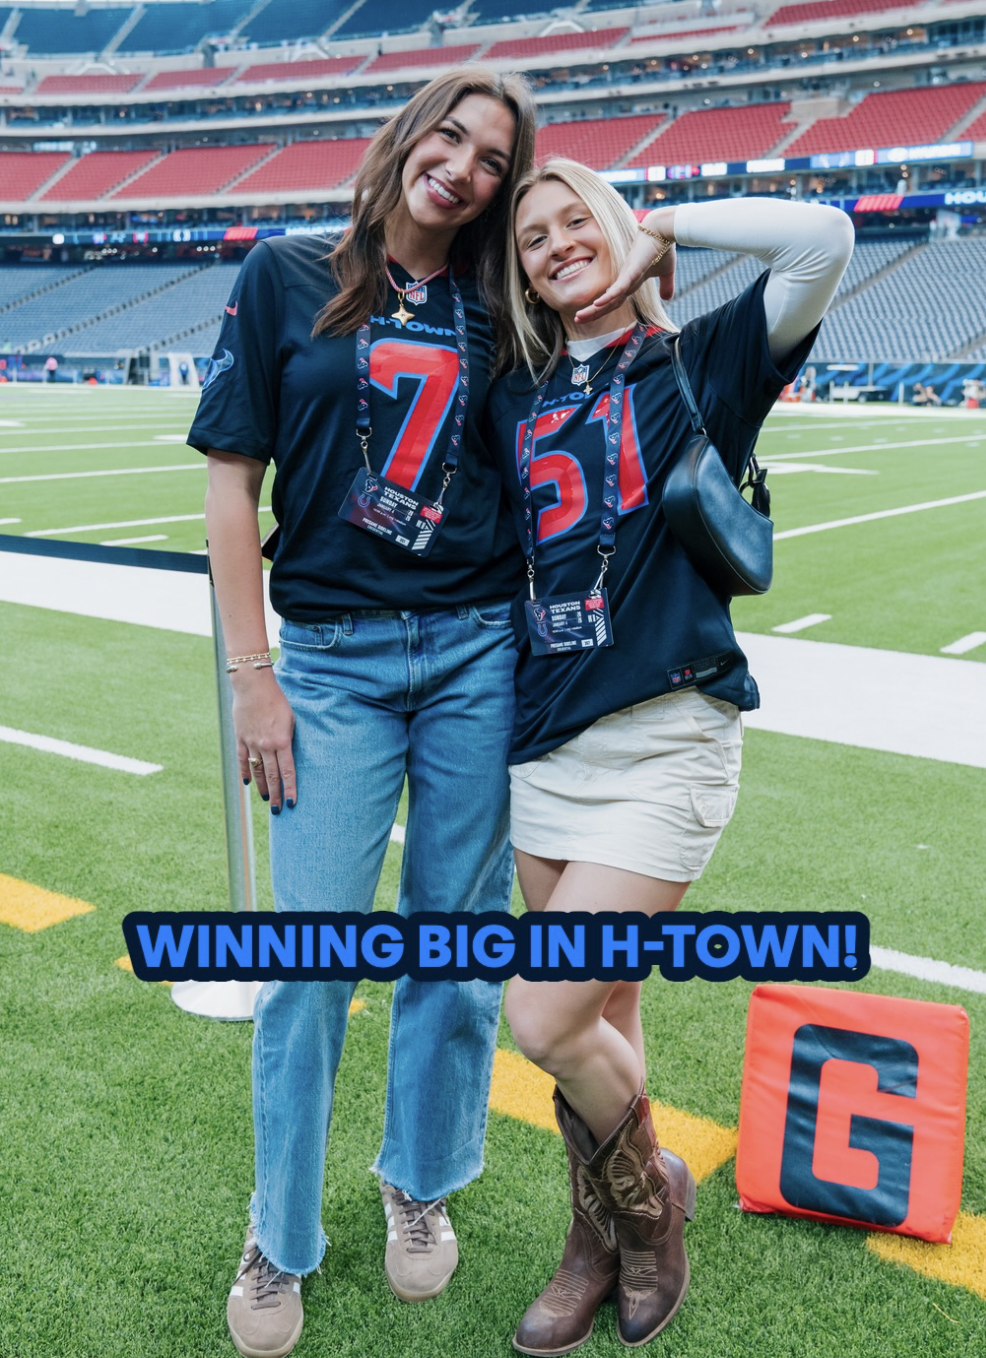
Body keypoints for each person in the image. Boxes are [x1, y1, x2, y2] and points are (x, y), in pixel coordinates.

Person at [187, 67, 536, 1358]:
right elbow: (234, 482)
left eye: (494, 158)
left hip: (477, 652)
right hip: (326, 663)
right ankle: (278, 1230)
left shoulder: (503, 302)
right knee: (308, 962)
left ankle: (418, 1177)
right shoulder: (287, 271)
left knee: (457, 951)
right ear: (405, 139)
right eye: (449, 136)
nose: (463, 166)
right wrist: (252, 674)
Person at [485, 160, 853, 1354]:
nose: (552, 245)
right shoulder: (516, 392)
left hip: (665, 742)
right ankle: (594, 1235)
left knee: (542, 1017)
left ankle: (650, 1215)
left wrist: (660, 227)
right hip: (543, 749)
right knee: (608, 1005)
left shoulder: (698, 360)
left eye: (570, 219)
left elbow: (820, 237)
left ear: (613, 222)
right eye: (531, 238)